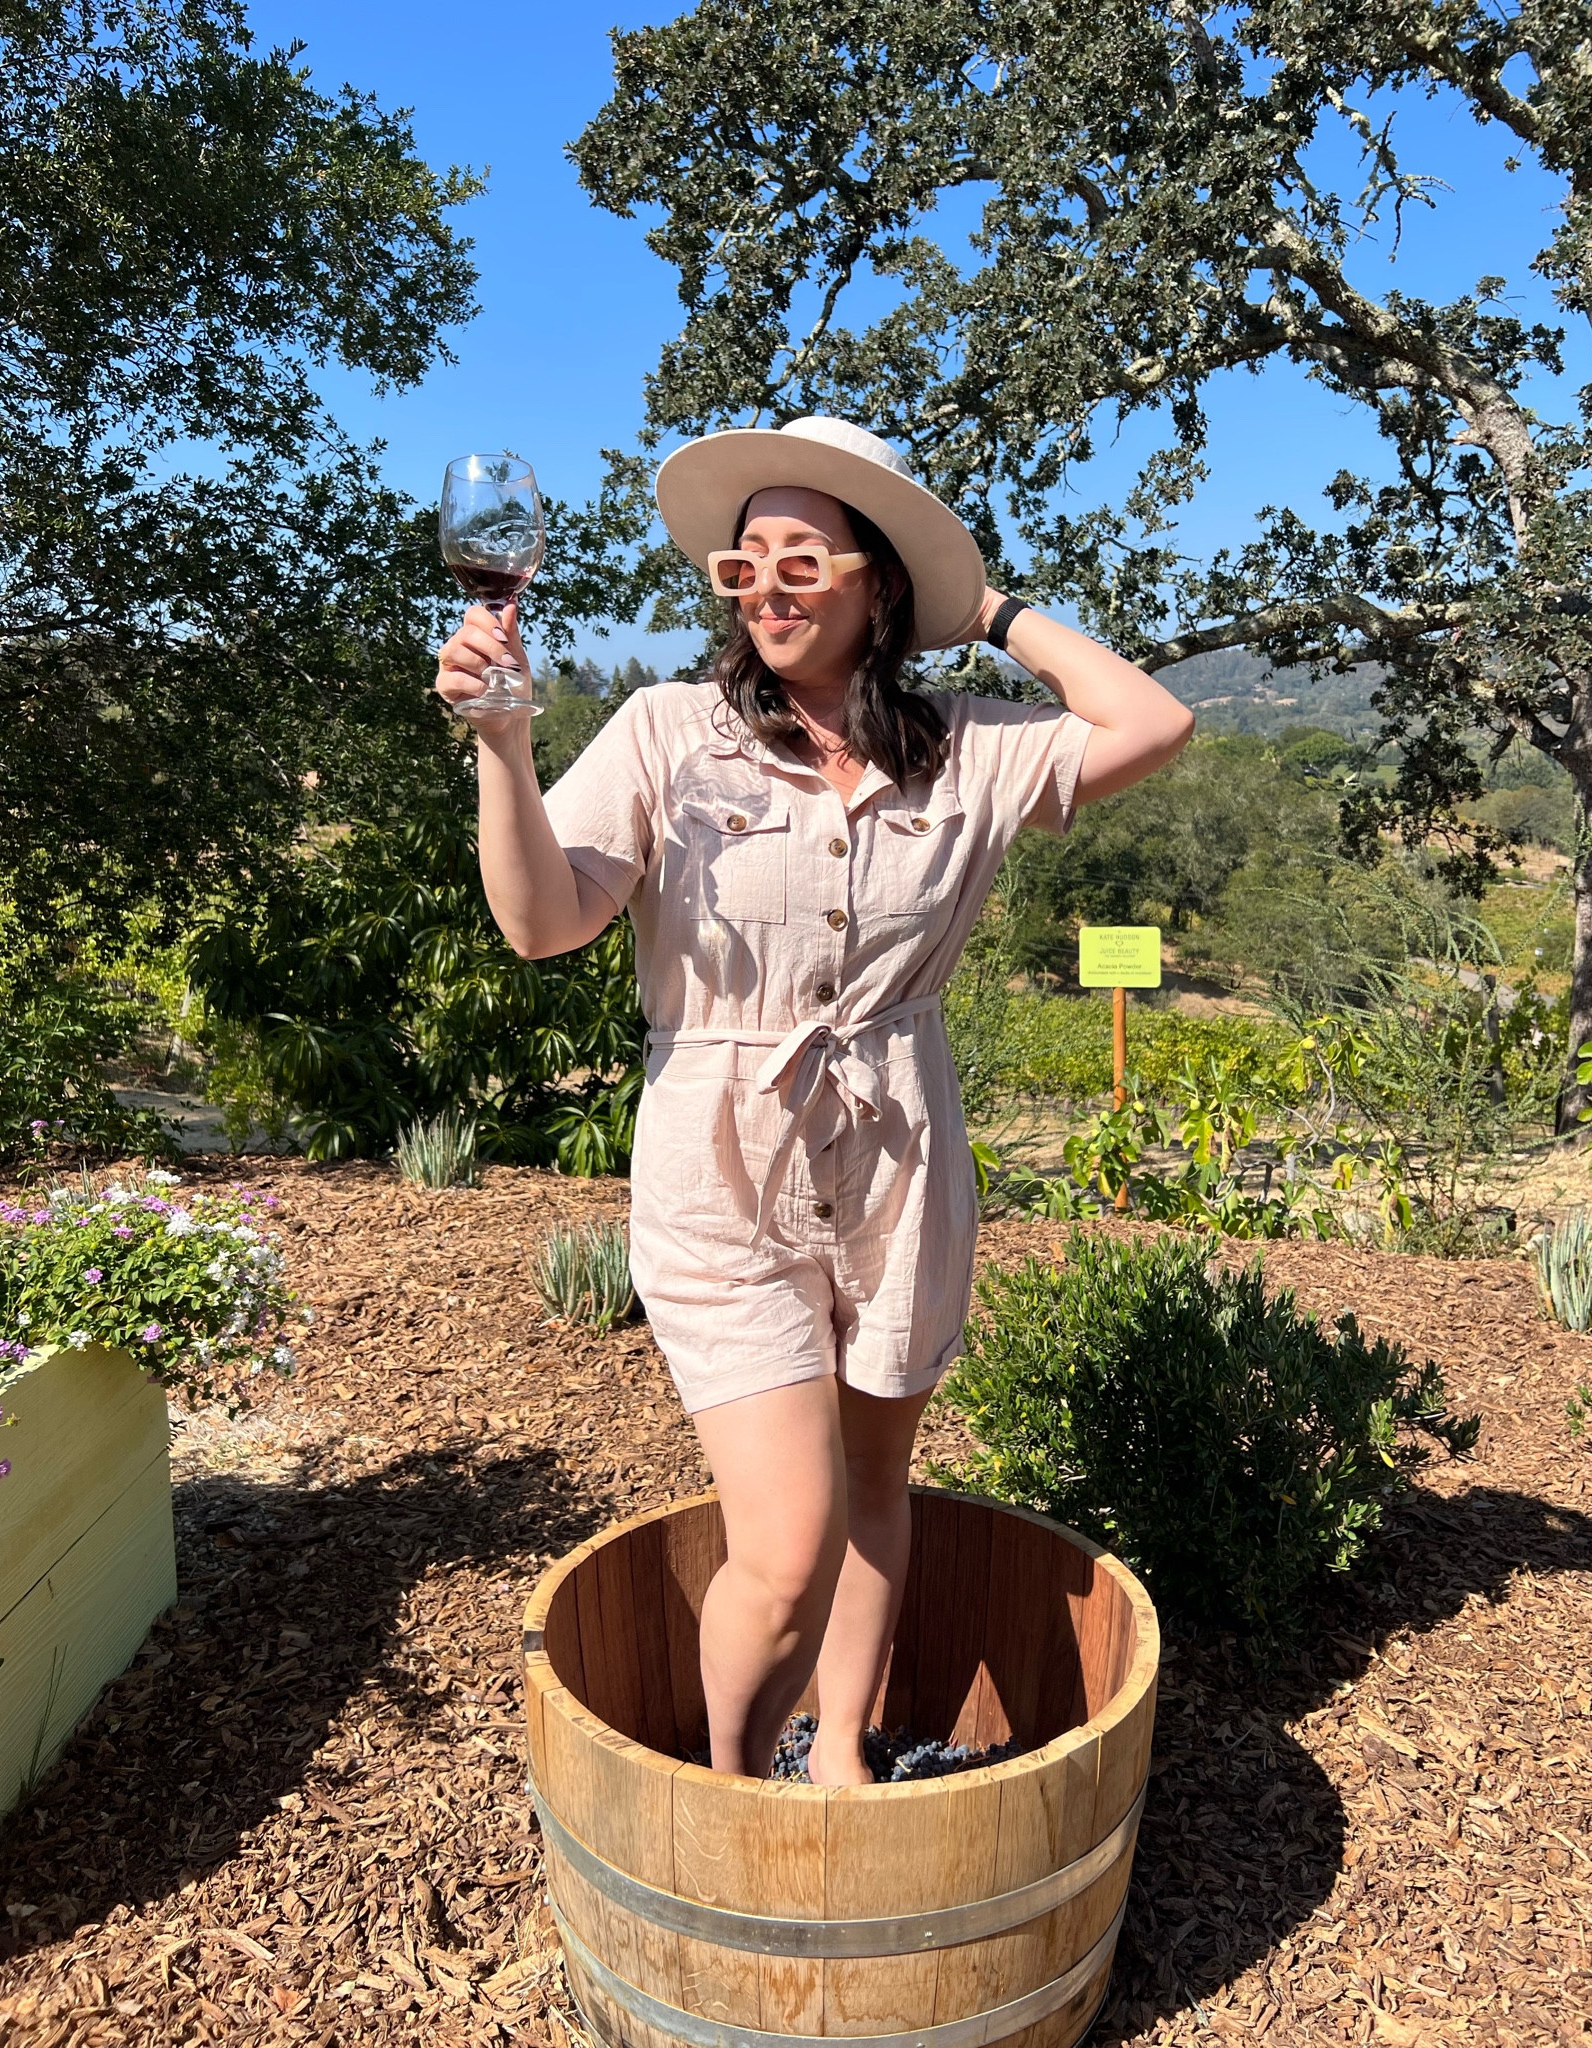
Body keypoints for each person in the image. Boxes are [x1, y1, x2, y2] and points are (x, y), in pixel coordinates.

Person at [435, 417, 1193, 1785]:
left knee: (875, 1487)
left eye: (803, 559)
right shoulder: (670, 734)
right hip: (720, 1166)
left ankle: (838, 1753)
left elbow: (1153, 720)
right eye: (744, 565)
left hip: (902, 1160)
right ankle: (728, 1788)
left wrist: (994, 609)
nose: (766, 587)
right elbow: (545, 923)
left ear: (880, 585)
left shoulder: (964, 749)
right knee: (783, 1544)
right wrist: (504, 746)